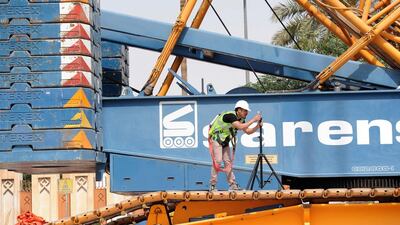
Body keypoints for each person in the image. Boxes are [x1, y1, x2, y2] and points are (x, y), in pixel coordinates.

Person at [208, 100, 262, 191]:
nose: (247, 113)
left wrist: (257, 126)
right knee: (218, 161)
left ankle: (232, 184)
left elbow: (248, 131)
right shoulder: (230, 116)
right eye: (245, 110)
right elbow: (240, 127)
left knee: (228, 162)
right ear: (239, 110)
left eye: (247, 111)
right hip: (216, 138)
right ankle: (212, 185)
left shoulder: (241, 119)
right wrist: (253, 120)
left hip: (224, 140)